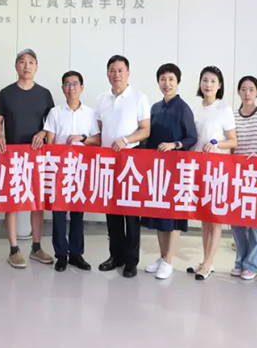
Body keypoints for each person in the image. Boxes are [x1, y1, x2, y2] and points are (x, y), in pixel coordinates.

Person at [0, 48, 55, 268]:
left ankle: (36, 247)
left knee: (37, 202)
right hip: (12, 156)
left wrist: (42, 133)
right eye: (22, 62)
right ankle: (14, 249)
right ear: (16, 66)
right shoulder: (6, 93)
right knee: (12, 202)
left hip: (37, 156)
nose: (26, 66)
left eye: (31, 62)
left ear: (36, 67)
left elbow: (52, 124)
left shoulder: (45, 94)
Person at [96, 55, 151, 278]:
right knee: (112, 211)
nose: (116, 74)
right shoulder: (102, 99)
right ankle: (115, 256)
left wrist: (126, 140)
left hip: (131, 161)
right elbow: (99, 131)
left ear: (128, 73)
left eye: (120, 70)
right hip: (108, 162)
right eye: (112, 70)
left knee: (131, 213)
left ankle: (131, 261)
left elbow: (145, 130)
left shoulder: (139, 98)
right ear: (107, 74)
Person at [142, 63, 198, 280]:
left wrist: (175, 145)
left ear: (178, 82)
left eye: (171, 79)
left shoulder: (183, 108)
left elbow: (191, 137)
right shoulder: (155, 108)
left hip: (175, 170)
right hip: (157, 171)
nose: (167, 83)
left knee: (172, 217)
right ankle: (162, 256)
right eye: (163, 79)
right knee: (159, 214)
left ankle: (169, 261)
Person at [43, 70, 101, 272]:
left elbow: (98, 140)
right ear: (62, 89)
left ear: (82, 88)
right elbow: (50, 142)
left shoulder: (91, 113)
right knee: (58, 213)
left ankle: (76, 254)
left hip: (81, 169)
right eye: (67, 84)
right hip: (59, 169)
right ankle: (61, 254)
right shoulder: (55, 113)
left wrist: (82, 138)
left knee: (78, 213)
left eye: (75, 84)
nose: (71, 88)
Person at [186, 66, 237, 280]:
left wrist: (216, 143)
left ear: (219, 85)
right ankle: (206, 260)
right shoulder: (193, 109)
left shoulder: (224, 109)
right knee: (204, 215)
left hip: (217, 169)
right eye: (205, 80)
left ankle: (208, 262)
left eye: (213, 81)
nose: (208, 85)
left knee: (215, 216)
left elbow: (233, 141)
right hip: (198, 168)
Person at [230, 76, 257, 281]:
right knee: (237, 221)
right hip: (237, 175)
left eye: (251, 89)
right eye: (243, 89)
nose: (247, 93)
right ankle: (240, 261)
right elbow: (231, 144)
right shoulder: (232, 117)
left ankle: (252, 264)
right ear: (239, 92)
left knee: (256, 222)